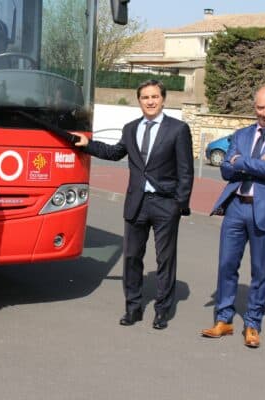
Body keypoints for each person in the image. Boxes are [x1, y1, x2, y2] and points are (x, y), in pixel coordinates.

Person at [72, 80, 194, 330]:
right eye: (145, 97)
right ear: (139, 101)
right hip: (136, 203)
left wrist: (178, 205)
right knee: (131, 257)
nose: (150, 101)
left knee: (165, 259)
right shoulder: (130, 128)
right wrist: (88, 146)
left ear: (163, 99)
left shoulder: (178, 129)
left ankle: (162, 310)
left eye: (155, 97)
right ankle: (133, 307)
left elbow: (186, 171)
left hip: (164, 204)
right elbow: (115, 153)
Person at [201, 85, 265, 348]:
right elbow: (224, 170)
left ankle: (253, 323)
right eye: (260, 107)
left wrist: (240, 161)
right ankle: (224, 319)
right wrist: (257, 161)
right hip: (236, 207)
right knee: (226, 264)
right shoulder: (242, 134)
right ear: (253, 106)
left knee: (260, 269)